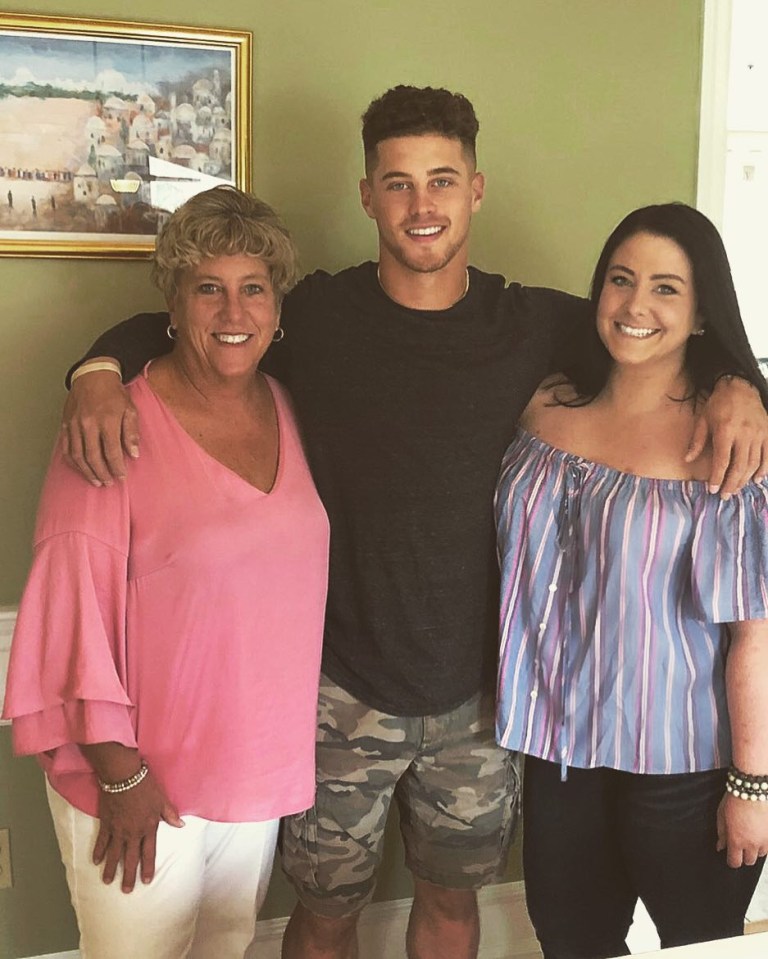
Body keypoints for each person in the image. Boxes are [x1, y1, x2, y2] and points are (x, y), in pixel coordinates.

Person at [58, 88, 768, 959]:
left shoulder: (538, 325)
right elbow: (200, 321)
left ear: (477, 188)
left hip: (480, 704)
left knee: (450, 906)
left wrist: (744, 386)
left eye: (441, 180)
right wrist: (96, 365)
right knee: (322, 914)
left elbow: (661, 340)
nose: (421, 205)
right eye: (397, 184)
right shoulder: (313, 317)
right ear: (367, 197)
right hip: (335, 695)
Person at [2, 186, 330, 959]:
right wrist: (120, 775)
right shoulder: (111, 424)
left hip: (252, 772)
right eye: (207, 288)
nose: (233, 311)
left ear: (279, 309)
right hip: (139, 780)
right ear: (172, 306)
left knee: (226, 950)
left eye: (254, 288)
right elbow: (68, 614)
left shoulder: (291, 404)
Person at [494, 203, 768, 959]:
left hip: (685, 767)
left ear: (703, 310)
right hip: (561, 755)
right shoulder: (543, 406)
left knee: (698, 946)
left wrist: (753, 787)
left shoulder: (727, 445)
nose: (636, 305)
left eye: (666, 288)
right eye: (620, 279)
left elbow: (756, 632)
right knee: (571, 940)